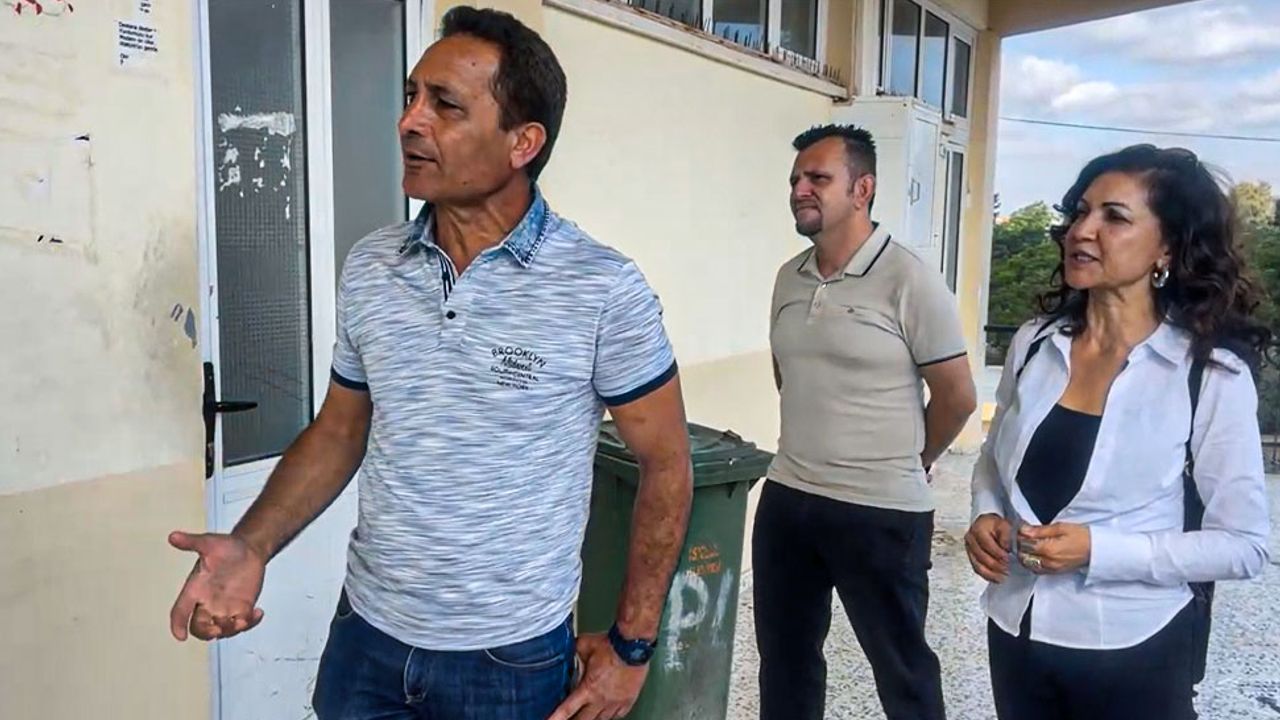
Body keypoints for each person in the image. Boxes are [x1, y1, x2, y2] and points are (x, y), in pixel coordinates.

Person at [167, 8, 694, 720]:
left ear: (523, 142)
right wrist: (250, 545)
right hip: (367, 638)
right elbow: (340, 430)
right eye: (411, 96)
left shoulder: (600, 287)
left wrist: (632, 646)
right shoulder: (373, 266)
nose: (410, 121)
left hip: (509, 659)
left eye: (445, 105)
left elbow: (667, 463)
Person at [965, 144, 1272, 720]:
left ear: (1167, 248)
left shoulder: (1208, 374)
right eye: (1080, 212)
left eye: (1115, 217)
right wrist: (985, 512)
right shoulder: (1035, 343)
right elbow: (993, 458)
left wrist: (1099, 551)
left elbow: (1244, 545)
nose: (1082, 231)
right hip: (1015, 629)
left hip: (1134, 647)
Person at [755, 124, 977, 720]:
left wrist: (914, 458)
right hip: (789, 500)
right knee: (785, 664)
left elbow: (957, 396)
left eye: (818, 178)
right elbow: (787, 374)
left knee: (903, 673)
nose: (800, 190)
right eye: (796, 179)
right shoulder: (789, 276)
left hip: (880, 509)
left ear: (863, 189)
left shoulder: (909, 278)